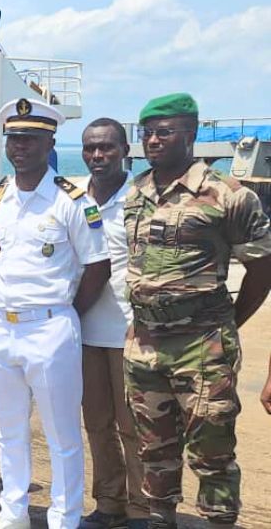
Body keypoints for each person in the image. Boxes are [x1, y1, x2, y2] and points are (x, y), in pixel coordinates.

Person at [124, 93, 271, 529]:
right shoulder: (138, 191)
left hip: (202, 346)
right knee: (153, 445)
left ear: (191, 134)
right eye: (146, 132)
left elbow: (262, 270)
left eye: (163, 132)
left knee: (212, 450)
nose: (153, 140)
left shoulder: (229, 195)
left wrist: (226, 325)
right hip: (145, 344)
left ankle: (219, 522)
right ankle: (160, 517)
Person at [0, 98, 111, 529]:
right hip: (1, 326)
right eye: (14, 138)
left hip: (50, 328)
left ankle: (64, 517)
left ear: (49, 142)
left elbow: (98, 265)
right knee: (10, 429)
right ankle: (14, 509)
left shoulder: (71, 200)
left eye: (30, 139)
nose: (20, 147)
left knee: (62, 435)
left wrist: (65, 315)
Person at [75, 119, 148, 529]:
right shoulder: (73, 196)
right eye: (90, 148)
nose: (97, 156)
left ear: (125, 150)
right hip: (84, 329)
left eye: (106, 148)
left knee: (133, 426)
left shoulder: (140, 199)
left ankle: (142, 508)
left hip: (128, 331)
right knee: (97, 422)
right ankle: (109, 503)